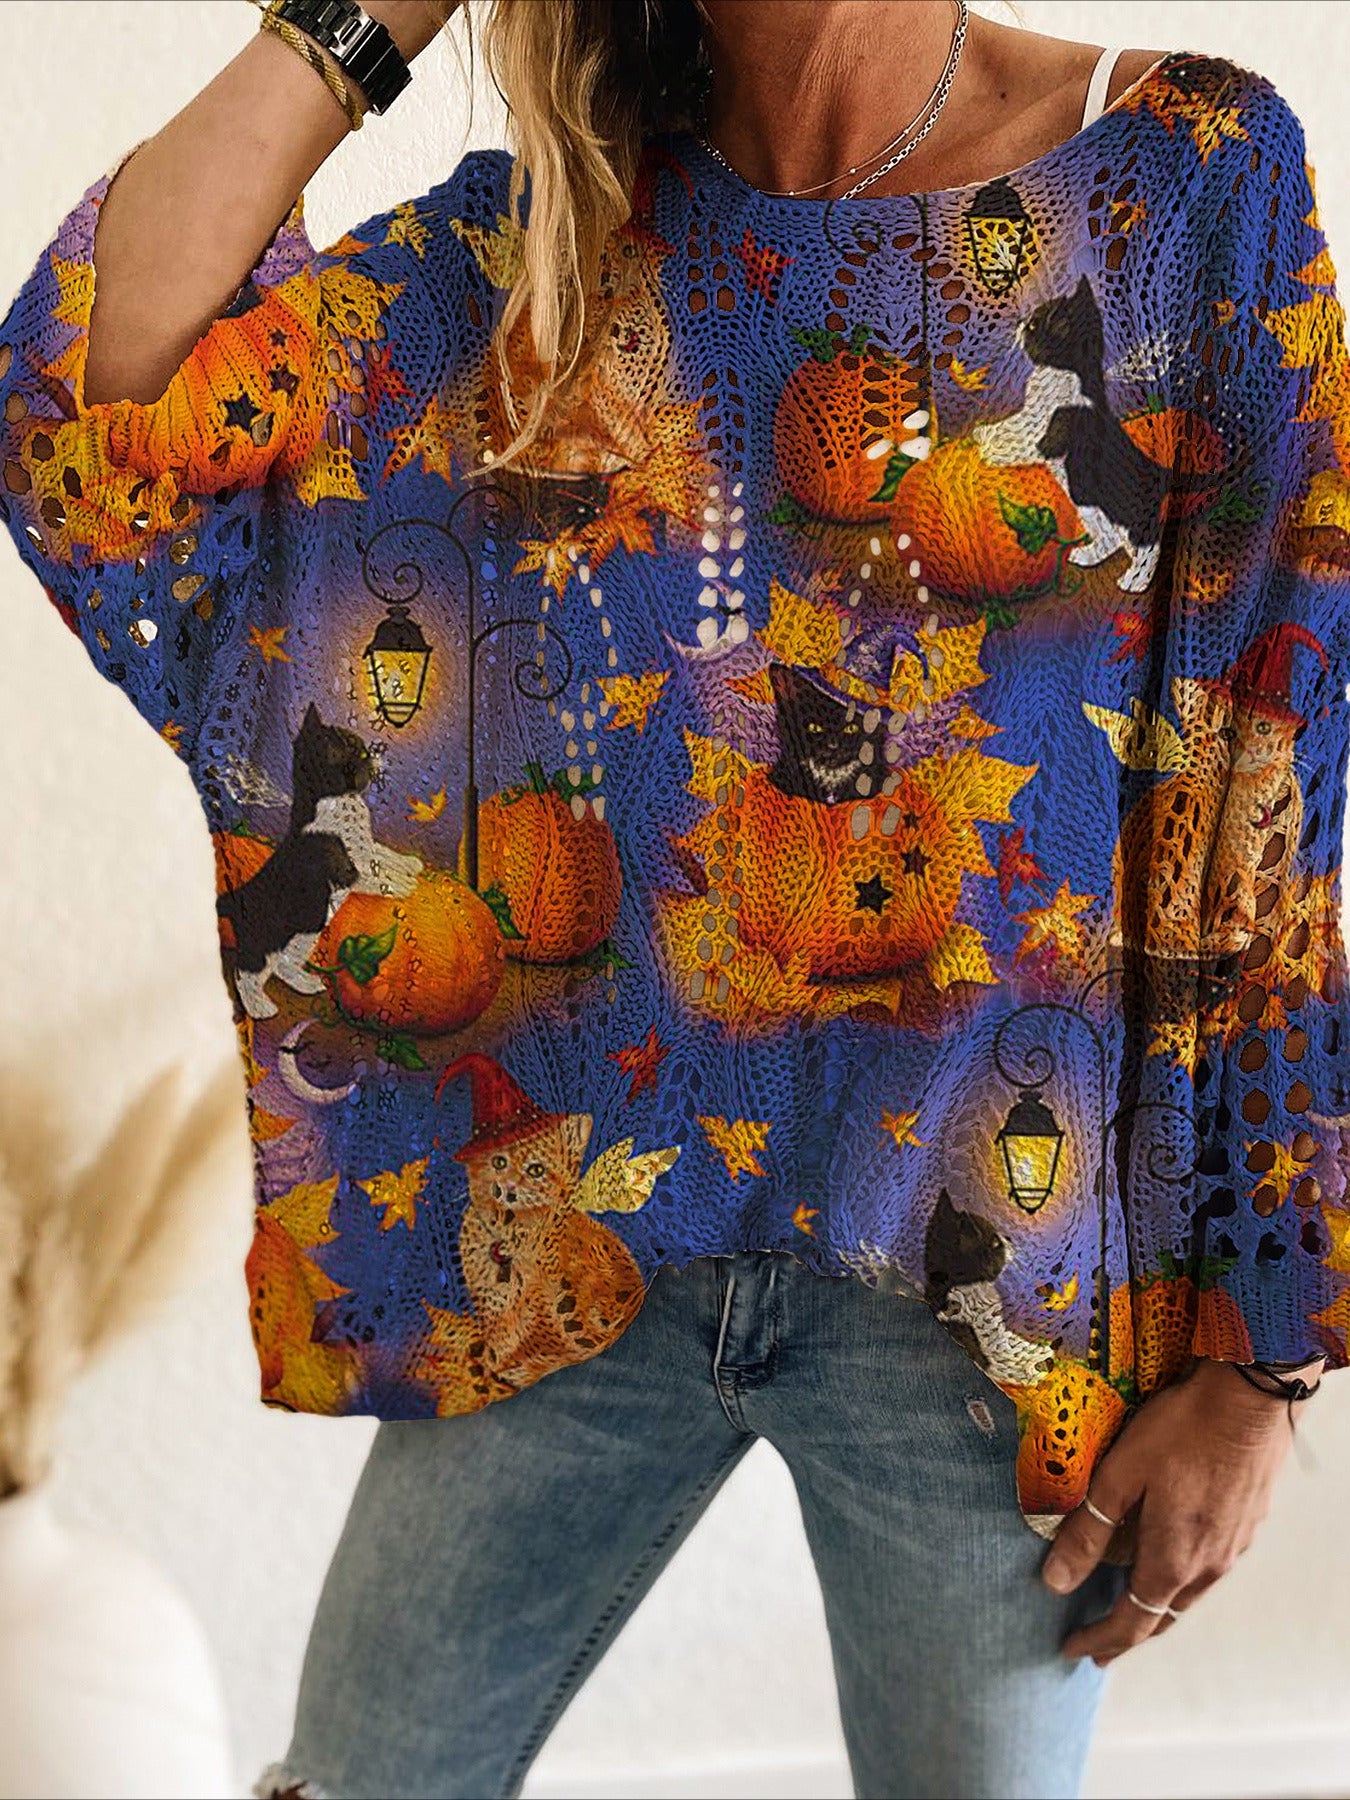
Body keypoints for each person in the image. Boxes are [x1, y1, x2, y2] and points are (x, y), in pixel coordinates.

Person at [1, 2, 1345, 1796]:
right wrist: (364, 22)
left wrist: (1260, 1372)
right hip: (582, 1249)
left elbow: (1274, 773)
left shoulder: (1179, 177)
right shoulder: (539, 259)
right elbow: (99, 404)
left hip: (976, 1290)